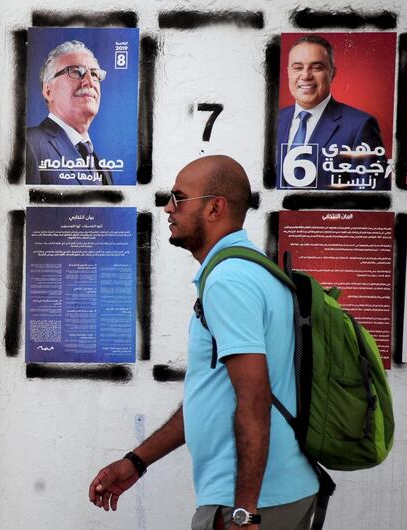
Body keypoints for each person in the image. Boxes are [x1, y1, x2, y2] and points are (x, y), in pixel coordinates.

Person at [89, 156, 319, 530]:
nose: (168, 208)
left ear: (215, 207)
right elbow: (210, 396)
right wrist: (137, 461)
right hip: (274, 493)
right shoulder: (252, 270)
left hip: (249, 501)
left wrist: (245, 512)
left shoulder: (229, 281)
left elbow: (254, 399)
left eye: (179, 198)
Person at [276, 35, 388, 190]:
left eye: (317, 67)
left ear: (332, 72)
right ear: (288, 72)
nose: (306, 75)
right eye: (298, 67)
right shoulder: (273, 123)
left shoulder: (360, 126)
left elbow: (370, 201)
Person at [26, 40, 113, 186]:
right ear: (48, 90)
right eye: (76, 72)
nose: (90, 82)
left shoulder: (104, 169)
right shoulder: (27, 144)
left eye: (94, 74)